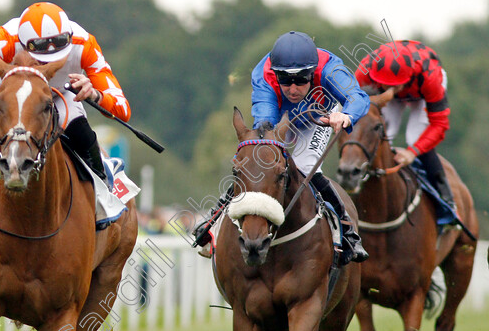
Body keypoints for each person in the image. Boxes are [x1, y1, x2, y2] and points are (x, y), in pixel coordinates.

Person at [195, 31, 370, 265]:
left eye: (301, 80)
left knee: (306, 166)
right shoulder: (264, 74)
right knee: (259, 161)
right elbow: (265, 121)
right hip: (280, 120)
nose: (293, 89)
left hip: (318, 118)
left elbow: (358, 97)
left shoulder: (330, 68)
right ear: (276, 74)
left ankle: (348, 231)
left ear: (313, 72)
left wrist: (346, 116)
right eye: (286, 80)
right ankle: (212, 222)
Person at [0, 1, 131, 216]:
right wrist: (18, 99)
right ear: (23, 43)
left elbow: (122, 108)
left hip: (59, 94)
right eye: (41, 53)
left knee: (81, 130)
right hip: (13, 93)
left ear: (68, 36)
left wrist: (95, 94)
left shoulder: (84, 42)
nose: (53, 58)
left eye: (60, 44)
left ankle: (104, 192)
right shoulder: (4, 38)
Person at [354, 40, 456, 214]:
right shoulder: (364, 71)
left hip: (422, 92)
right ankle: (358, 181)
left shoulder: (431, 77)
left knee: (414, 137)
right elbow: (351, 103)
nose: (390, 89)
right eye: (385, 84)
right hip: (398, 84)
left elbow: (440, 124)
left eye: (394, 86)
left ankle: (446, 200)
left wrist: (413, 151)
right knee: (384, 134)